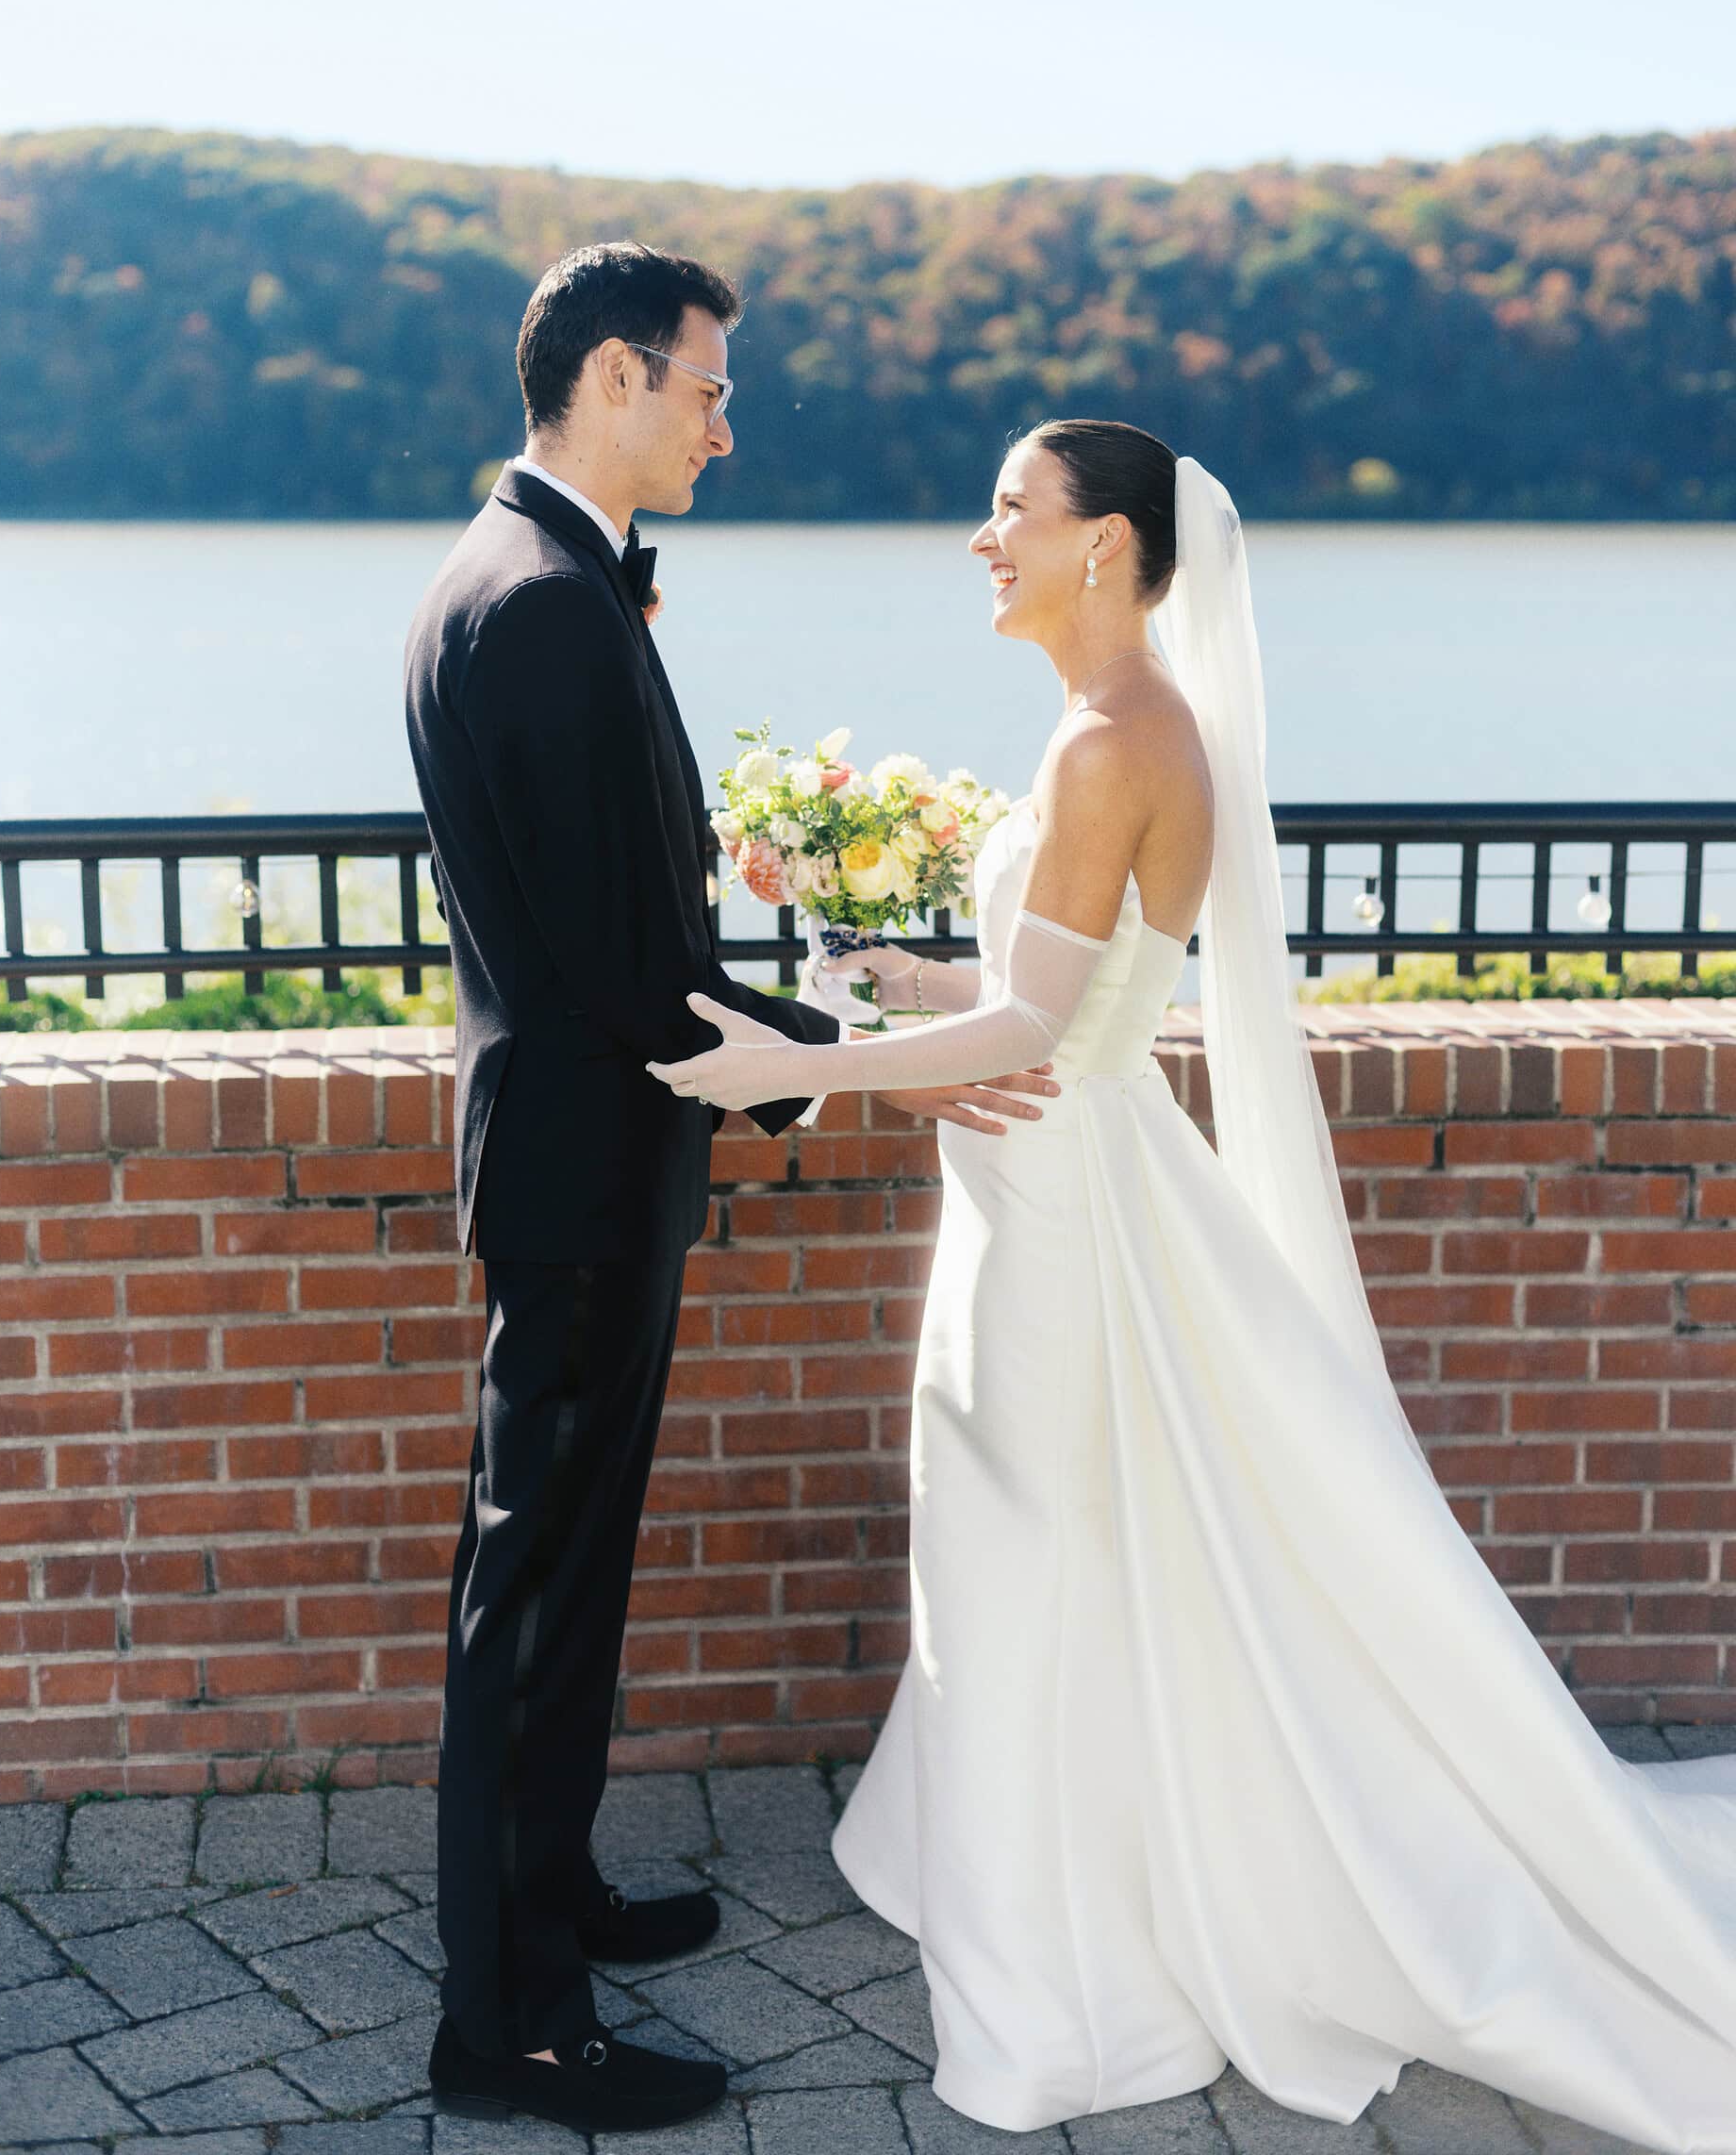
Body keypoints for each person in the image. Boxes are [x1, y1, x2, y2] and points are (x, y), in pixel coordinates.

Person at [651, 420, 1736, 2149]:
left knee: (1030, 1552)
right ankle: (1072, 1878)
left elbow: (1040, 1027)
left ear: (1105, 543)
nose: (983, 538)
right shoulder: (1113, 722)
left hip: (1067, 1209)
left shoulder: (1118, 737)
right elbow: (1042, 989)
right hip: (1049, 1175)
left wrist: (790, 1073)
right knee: (1051, 1549)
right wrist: (884, 975)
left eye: (1011, 509)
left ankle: (1072, 1977)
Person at [402, 241, 1063, 2135]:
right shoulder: (540, 603)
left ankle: (555, 1896)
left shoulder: (538, 576)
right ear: (616, 374)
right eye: (707, 386)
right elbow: (618, 959)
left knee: (565, 1576)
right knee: (535, 1595)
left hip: (590, 1153)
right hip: (585, 1162)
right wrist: (838, 1056)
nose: (724, 424)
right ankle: (512, 2027)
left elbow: (614, 901)